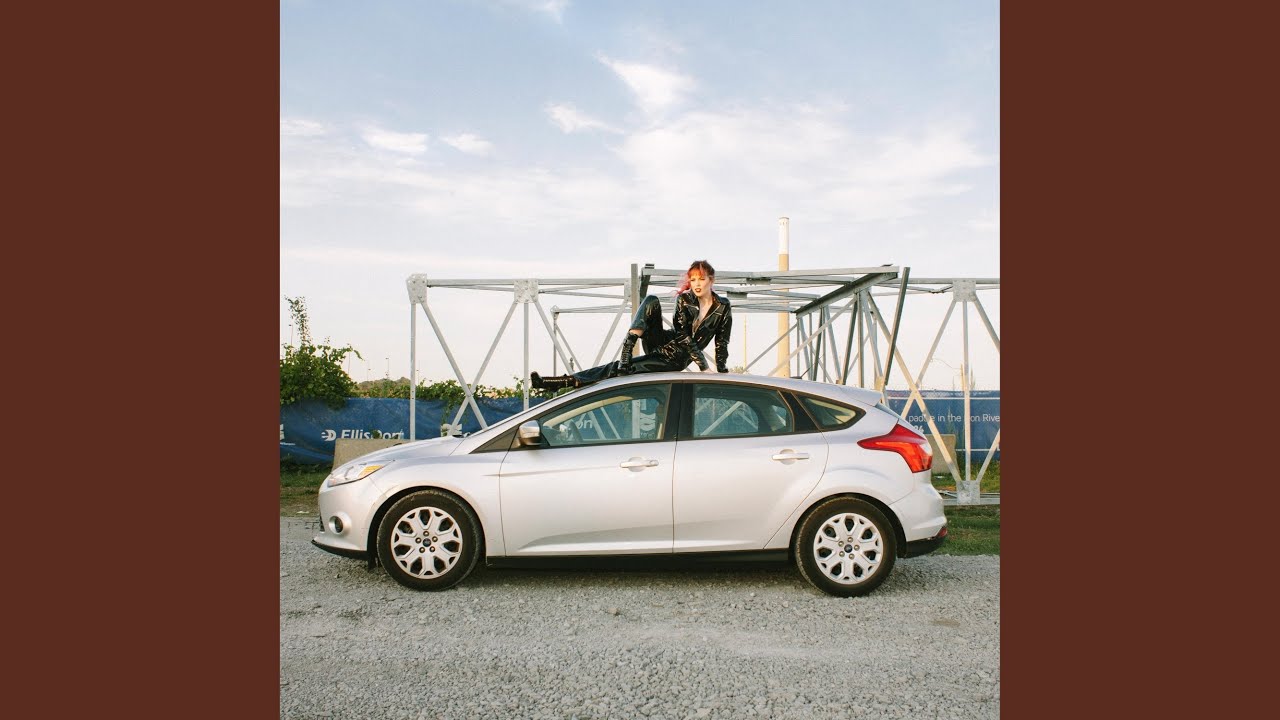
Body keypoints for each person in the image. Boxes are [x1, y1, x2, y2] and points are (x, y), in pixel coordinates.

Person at [531, 259, 733, 391]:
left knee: (616, 369)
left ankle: (559, 382)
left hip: (673, 359)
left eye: (701, 279)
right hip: (662, 341)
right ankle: (627, 348)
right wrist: (703, 366)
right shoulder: (684, 300)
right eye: (693, 279)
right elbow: (682, 334)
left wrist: (721, 371)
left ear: (711, 280)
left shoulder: (723, 307)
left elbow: (721, 342)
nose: (697, 284)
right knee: (651, 300)